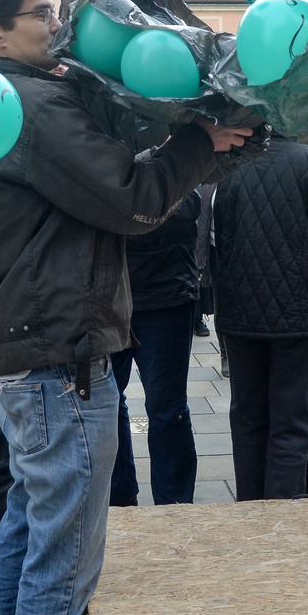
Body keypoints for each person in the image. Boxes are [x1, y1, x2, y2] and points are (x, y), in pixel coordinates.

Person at [0, 0, 251, 615]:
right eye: (41, 13)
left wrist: (201, 151)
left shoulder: (9, 98)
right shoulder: (35, 106)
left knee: (24, 543)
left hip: (31, 345)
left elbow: (100, 188)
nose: (59, 24)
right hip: (61, 355)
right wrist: (198, 143)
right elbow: (130, 199)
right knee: (63, 569)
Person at [212, 138, 308, 500]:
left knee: (247, 414)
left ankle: (250, 503)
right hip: (297, 311)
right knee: (291, 418)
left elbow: (214, 234)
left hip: (239, 308)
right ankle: (282, 513)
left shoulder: (227, 164)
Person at [110, 186, 205, 506]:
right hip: (109, 297)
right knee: (107, 403)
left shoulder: (170, 150)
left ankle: (174, 502)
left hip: (166, 296)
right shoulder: (105, 151)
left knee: (168, 408)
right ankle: (118, 496)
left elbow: (189, 207)